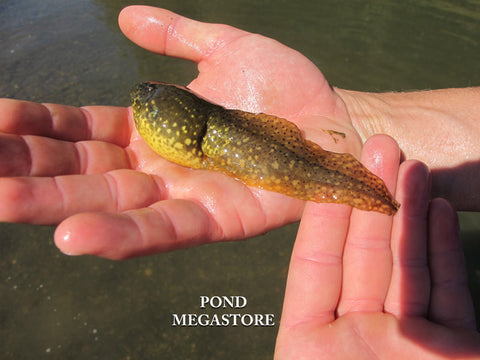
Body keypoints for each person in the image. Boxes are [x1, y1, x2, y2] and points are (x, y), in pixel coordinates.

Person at [0, 5, 479, 357]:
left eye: (146, 104)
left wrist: (352, 121)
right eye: (145, 103)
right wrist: (359, 119)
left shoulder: (206, 131)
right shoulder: (200, 128)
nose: (140, 103)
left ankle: (385, 199)